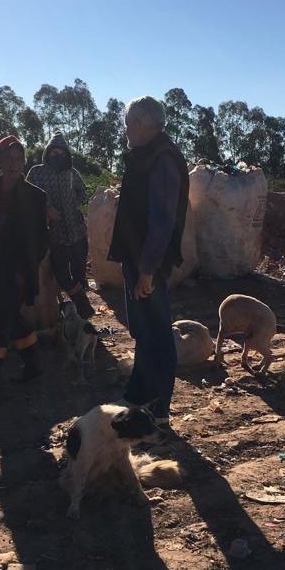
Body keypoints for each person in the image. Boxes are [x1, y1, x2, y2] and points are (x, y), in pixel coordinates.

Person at [108, 96, 189, 428]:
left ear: (143, 124)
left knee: (156, 330)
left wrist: (147, 270)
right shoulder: (146, 156)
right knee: (143, 329)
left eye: (129, 124)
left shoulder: (163, 160)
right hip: (138, 258)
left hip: (148, 262)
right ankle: (139, 394)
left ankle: (159, 408)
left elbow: (162, 220)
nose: (126, 131)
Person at [0, 135, 49, 401]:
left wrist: (27, 269)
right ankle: (35, 364)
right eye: (8, 158)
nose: (14, 164)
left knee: (1, 320)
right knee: (11, 316)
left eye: (18, 158)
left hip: (18, 272)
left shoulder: (35, 197)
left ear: (25, 162)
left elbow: (41, 240)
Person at [26, 132, 93, 318]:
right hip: (53, 233)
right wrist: (46, 209)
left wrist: (75, 204)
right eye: (53, 152)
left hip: (76, 231)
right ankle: (82, 303)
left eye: (61, 153)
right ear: (47, 153)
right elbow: (29, 196)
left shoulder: (72, 173)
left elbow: (84, 193)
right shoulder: (36, 172)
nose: (57, 156)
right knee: (61, 272)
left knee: (79, 272)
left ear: (67, 154)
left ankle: (81, 318)